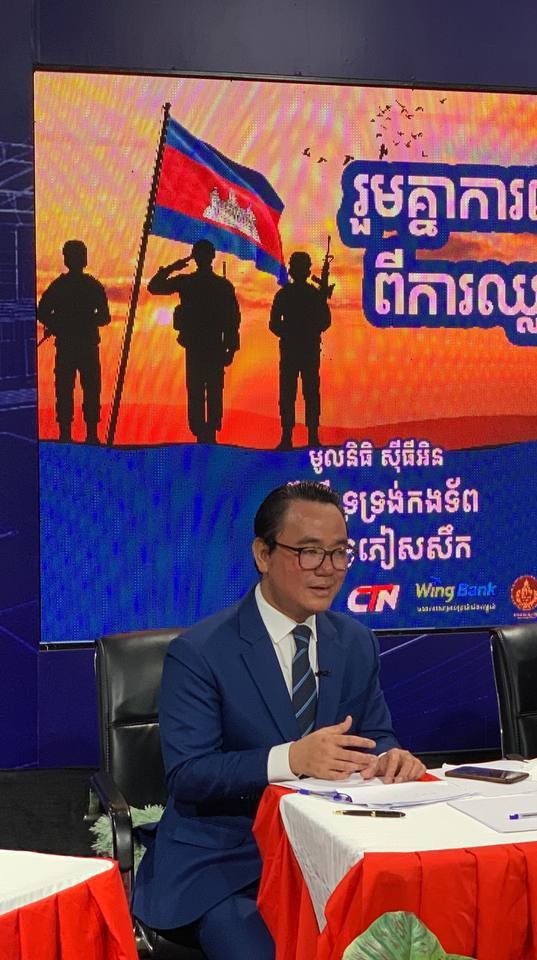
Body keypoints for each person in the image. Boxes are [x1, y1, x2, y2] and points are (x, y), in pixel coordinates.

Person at [132, 480, 425, 959]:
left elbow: (375, 736)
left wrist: (392, 758)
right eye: (309, 552)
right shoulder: (200, 652)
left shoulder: (355, 642)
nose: (327, 569)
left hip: (335, 854)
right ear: (262, 554)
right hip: (230, 862)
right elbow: (189, 774)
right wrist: (291, 759)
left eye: (339, 553)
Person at [147, 238, 240, 443]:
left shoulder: (191, 282)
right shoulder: (219, 285)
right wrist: (231, 348)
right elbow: (233, 320)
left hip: (203, 345)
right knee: (208, 390)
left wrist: (172, 268)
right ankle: (206, 432)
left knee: (203, 390)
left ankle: (206, 432)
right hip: (205, 345)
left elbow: (232, 319)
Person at [37, 239, 110, 443]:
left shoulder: (64, 286)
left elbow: (105, 317)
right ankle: (74, 434)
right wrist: (60, 323)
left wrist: (65, 323)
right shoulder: (88, 286)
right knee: (70, 390)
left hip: (80, 346)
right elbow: (42, 312)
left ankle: (85, 434)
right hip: (76, 346)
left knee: (83, 390)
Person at [269, 250, 332, 450]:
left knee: (295, 393)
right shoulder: (311, 294)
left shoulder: (286, 294)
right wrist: (304, 331)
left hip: (297, 349)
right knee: (305, 393)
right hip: (303, 349)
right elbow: (325, 321)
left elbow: (274, 324)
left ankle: (295, 437)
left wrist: (291, 332)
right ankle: (303, 437)